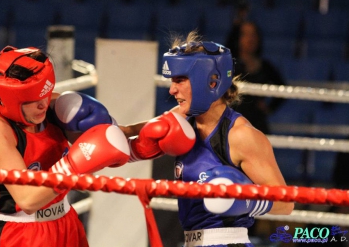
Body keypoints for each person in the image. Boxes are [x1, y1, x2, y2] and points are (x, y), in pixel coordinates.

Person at [120, 31, 294, 246]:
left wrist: (245, 202)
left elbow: (286, 203)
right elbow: (152, 126)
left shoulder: (241, 136)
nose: (172, 89)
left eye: (180, 80)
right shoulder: (183, 119)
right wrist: (123, 132)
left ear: (211, 83)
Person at [0, 46, 132, 247]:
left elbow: (108, 139)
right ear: (7, 100)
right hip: (21, 233)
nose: (43, 104)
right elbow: (27, 201)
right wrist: (71, 166)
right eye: (33, 100)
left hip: (66, 222)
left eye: (46, 92)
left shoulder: (51, 106)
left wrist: (150, 136)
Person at [225, 21, 287, 134]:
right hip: (234, 121)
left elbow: (283, 88)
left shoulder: (265, 66)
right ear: (238, 39)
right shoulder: (230, 64)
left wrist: (269, 108)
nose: (250, 39)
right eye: (245, 34)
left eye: (253, 34)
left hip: (257, 123)